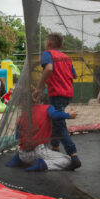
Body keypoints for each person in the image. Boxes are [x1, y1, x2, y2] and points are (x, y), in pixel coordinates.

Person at [32, 32, 81, 170]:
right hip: (68, 93)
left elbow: (48, 68)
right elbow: (75, 75)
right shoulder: (66, 57)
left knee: (59, 122)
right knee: (54, 121)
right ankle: (55, 147)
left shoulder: (48, 54)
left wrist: (38, 88)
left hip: (57, 93)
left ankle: (74, 155)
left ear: (49, 44)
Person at [6, 95, 78, 171]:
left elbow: (18, 136)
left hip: (23, 154)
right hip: (39, 152)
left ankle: (17, 159)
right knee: (67, 160)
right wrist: (68, 115)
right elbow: (54, 115)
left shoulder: (24, 114)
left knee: (24, 149)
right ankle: (44, 164)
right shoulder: (47, 108)